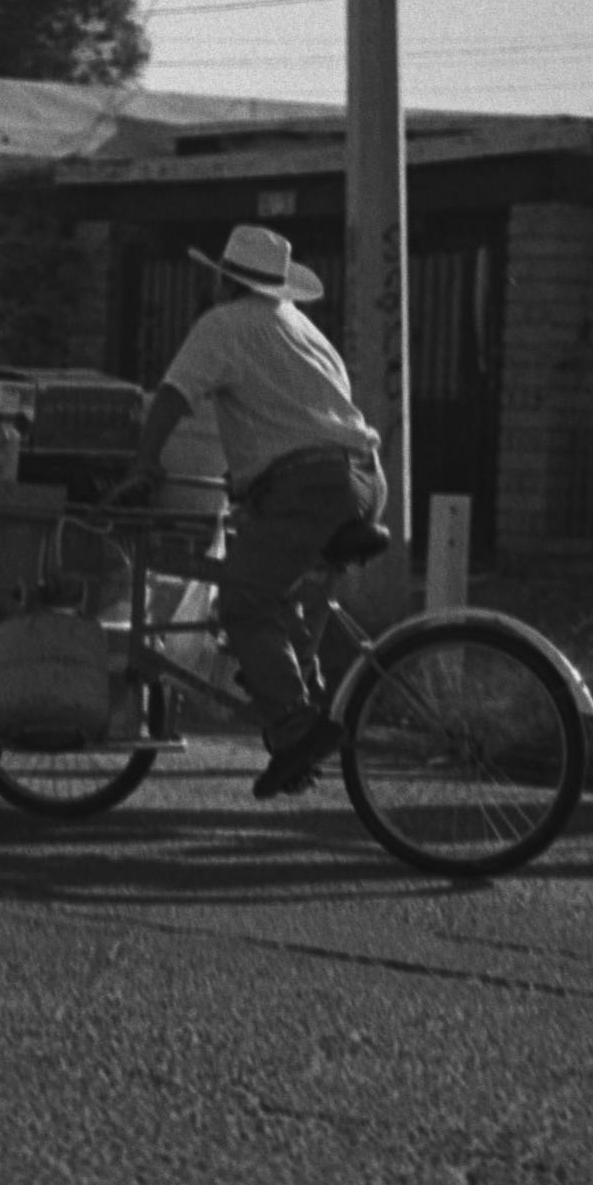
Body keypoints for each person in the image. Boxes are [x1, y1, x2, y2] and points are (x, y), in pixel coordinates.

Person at [111, 224, 387, 800]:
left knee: (243, 599)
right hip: (358, 475)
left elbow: (173, 396)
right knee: (276, 593)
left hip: (308, 484)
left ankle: (295, 728)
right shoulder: (299, 326)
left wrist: (143, 466)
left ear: (221, 278)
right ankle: (300, 717)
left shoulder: (223, 324)